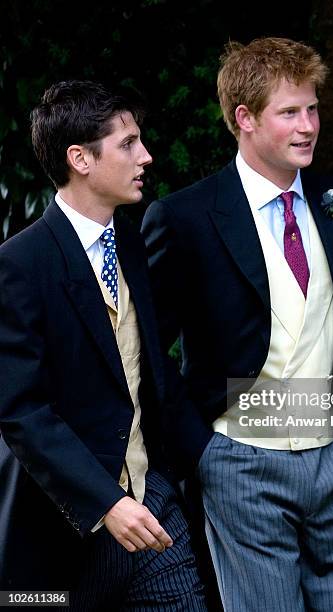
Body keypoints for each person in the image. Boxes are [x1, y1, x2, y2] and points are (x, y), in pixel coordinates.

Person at [141, 37, 333, 611]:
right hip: (241, 462)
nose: (308, 125)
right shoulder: (185, 217)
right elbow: (147, 348)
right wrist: (201, 451)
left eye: (312, 108)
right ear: (244, 118)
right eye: (289, 112)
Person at [0, 80, 207, 611]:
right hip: (57, 534)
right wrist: (106, 501)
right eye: (128, 144)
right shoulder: (19, 264)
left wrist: (216, 458)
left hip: (152, 506)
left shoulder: (131, 243)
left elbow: (149, 368)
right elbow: (22, 411)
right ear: (80, 159)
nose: (146, 156)